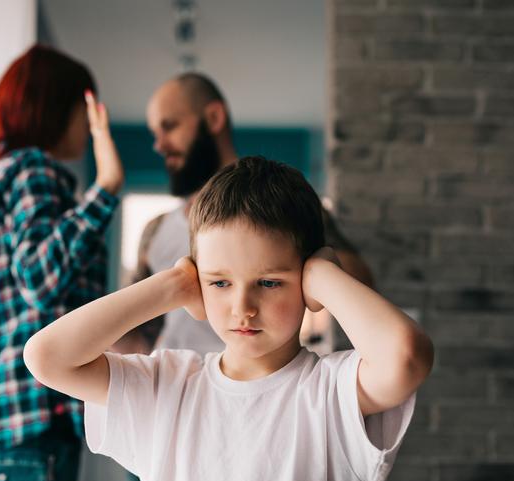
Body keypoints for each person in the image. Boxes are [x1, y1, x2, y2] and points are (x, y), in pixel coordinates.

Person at [23, 156, 434, 481]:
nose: (243, 307)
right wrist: (170, 285)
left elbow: (406, 356)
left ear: (307, 282)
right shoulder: (168, 386)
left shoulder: (331, 391)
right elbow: (46, 357)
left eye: (269, 282)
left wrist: (324, 275)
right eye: (219, 282)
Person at [0, 45, 124, 481]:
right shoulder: (32, 171)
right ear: (58, 107)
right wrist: (106, 187)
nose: (89, 125)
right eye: (85, 107)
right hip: (26, 427)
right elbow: (39, 278)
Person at [116, 72, 373, 356]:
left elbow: (359, 280)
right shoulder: (156, 230)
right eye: (156, 133)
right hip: (178, 388)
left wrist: (310, 271)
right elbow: (135, 336)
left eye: (170, 127)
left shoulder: (280, 205)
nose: (159, 145)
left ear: (213, 118)